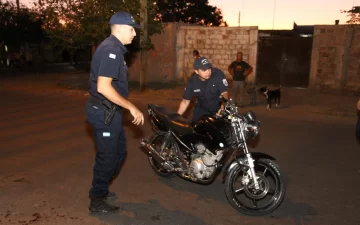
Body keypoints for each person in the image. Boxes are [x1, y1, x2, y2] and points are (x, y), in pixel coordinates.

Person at [85, 11, 144, 214]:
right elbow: (103, 87)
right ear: (119, 28)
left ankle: (101, 188)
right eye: (131, 30)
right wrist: (131, 106)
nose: (134, 34)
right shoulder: (111, 50)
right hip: (103, 111)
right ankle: (97, 198)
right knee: (108, 157)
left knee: (119, 153)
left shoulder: (115, 49)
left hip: (110, 111)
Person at [177, 57, 229, 122]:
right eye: (204, 70)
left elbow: (224, 93)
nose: (208, 72)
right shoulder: (192, 82)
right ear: (196, 71)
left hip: (219, 108)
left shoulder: (217, 74)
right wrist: (176, 117)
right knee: (196, 129)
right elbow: (185, 102)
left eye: (209, 68)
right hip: (202, 109)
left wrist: (223, 107)